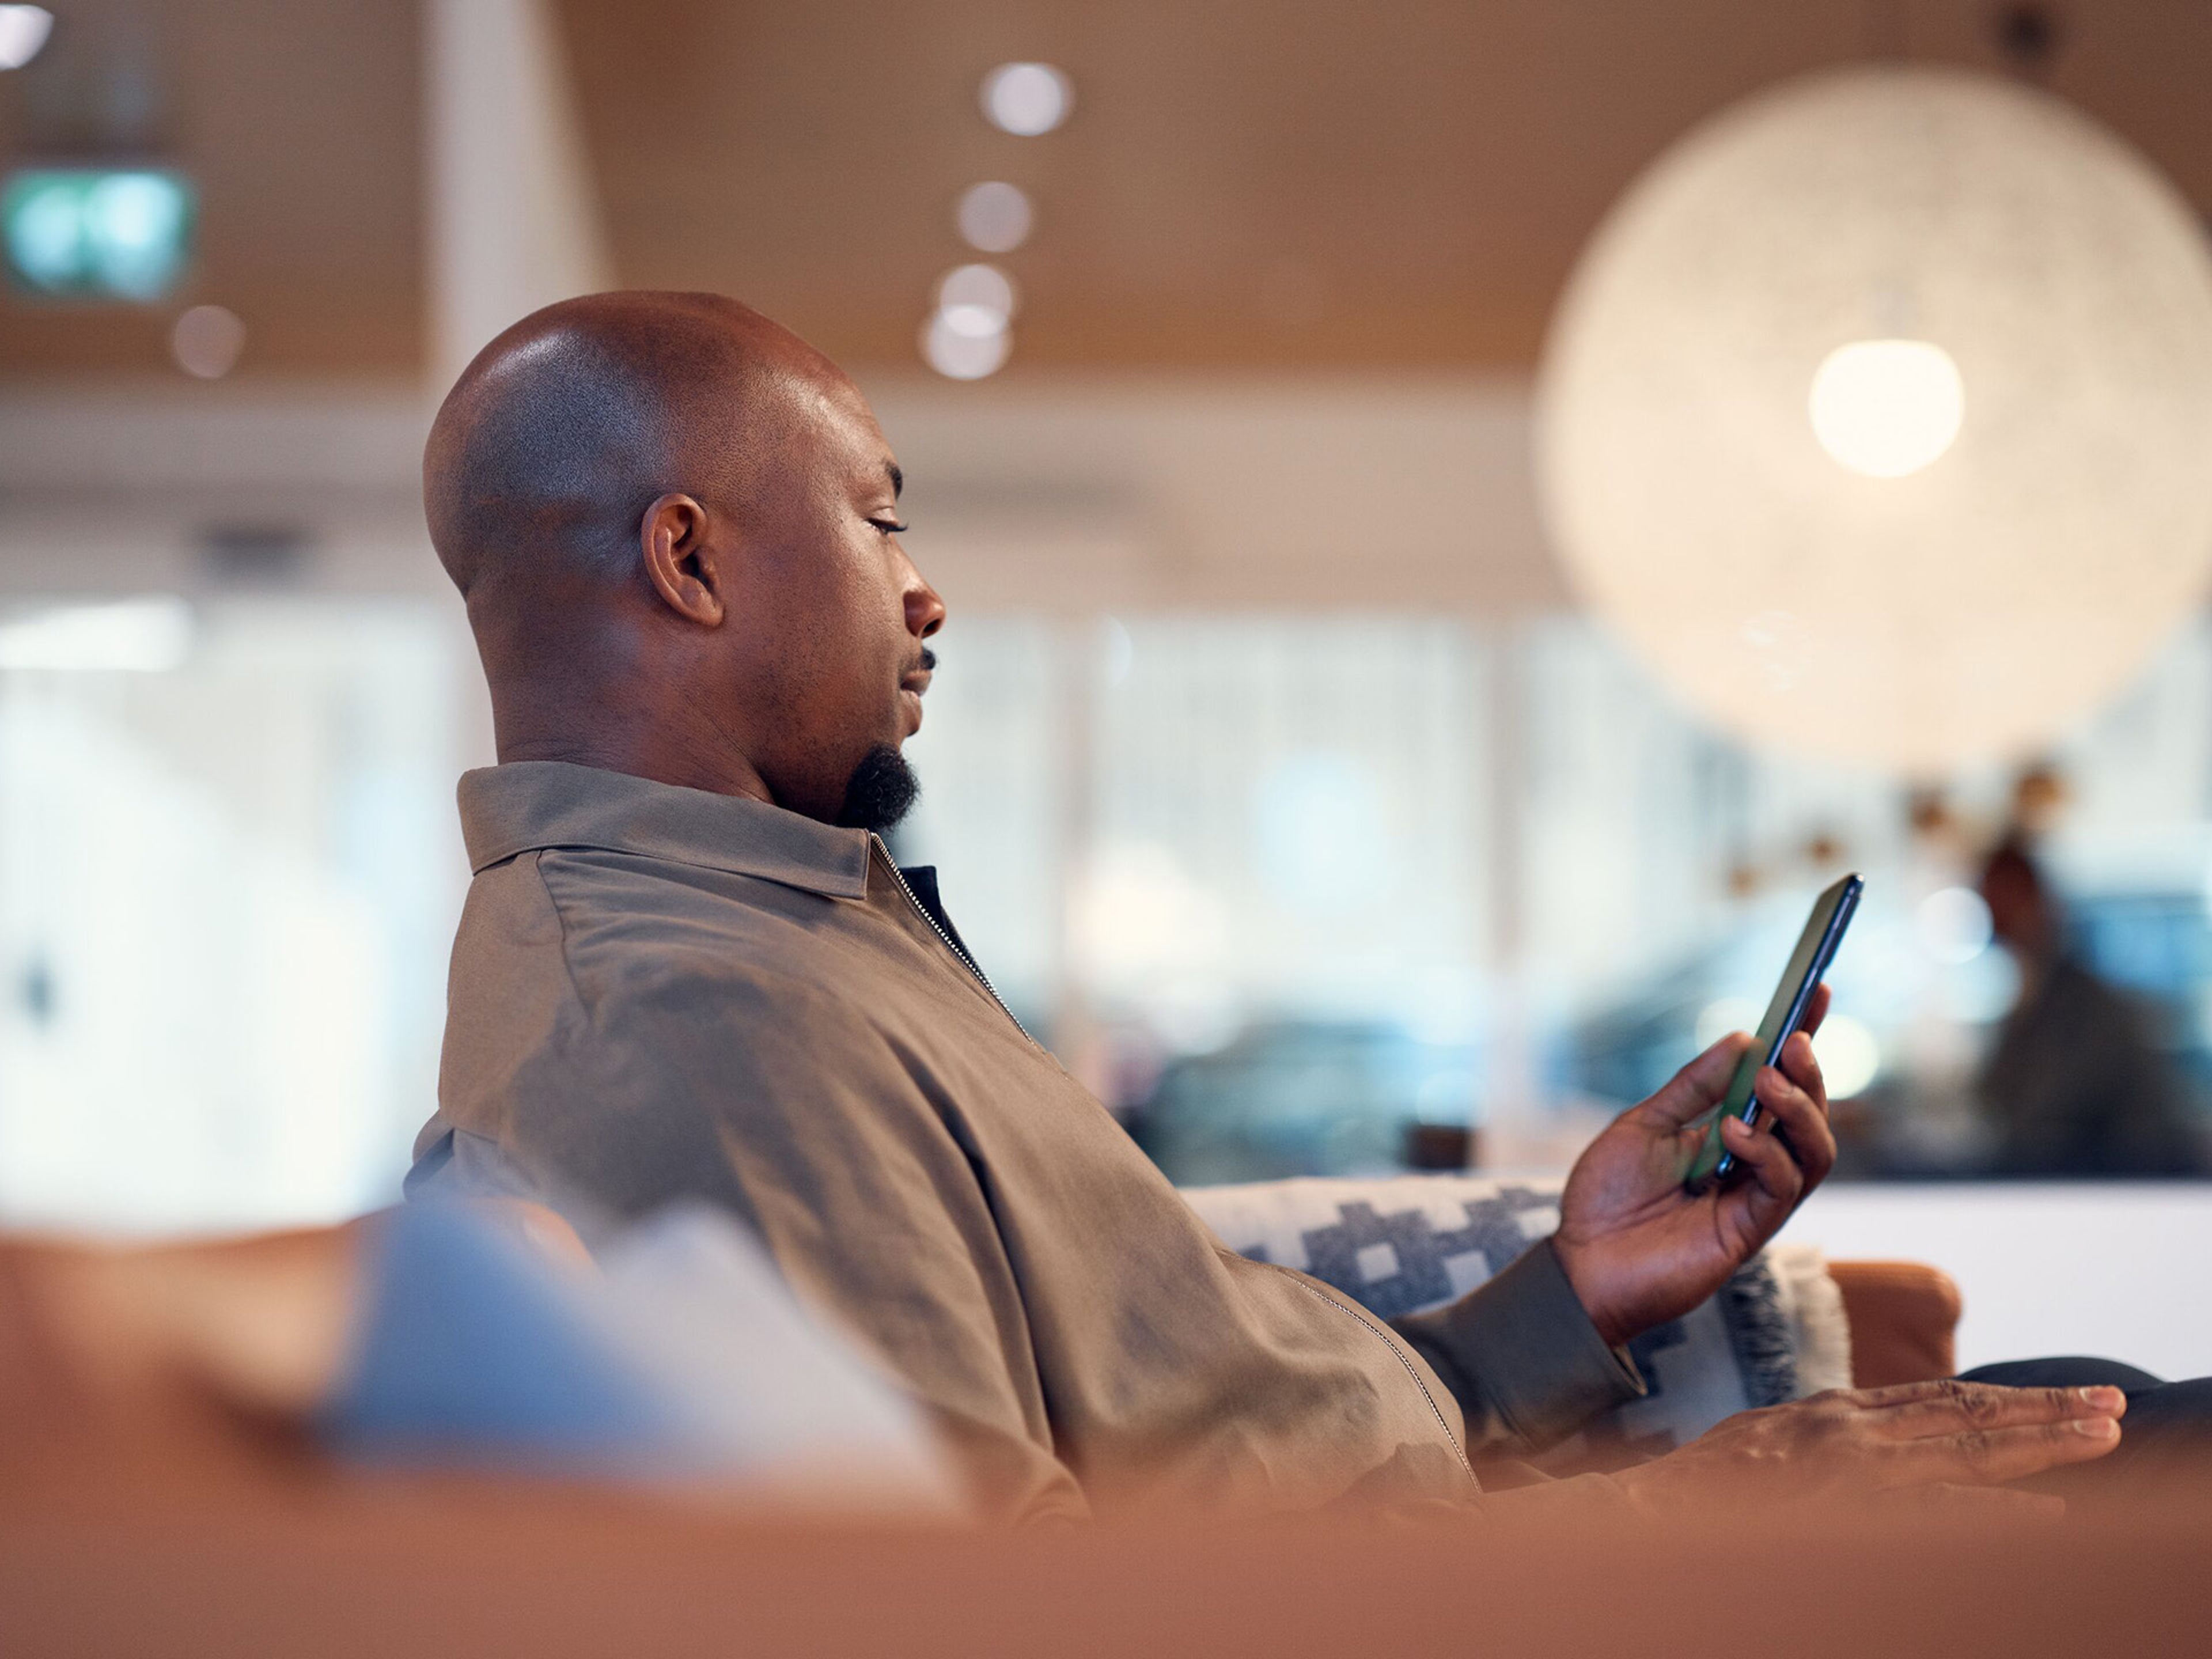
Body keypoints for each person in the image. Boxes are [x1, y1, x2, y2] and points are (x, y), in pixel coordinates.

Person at [407, 291, 2163, 1523]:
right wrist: (1706, 1526)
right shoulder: (686, 1027)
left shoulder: (780, 928)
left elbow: (1211, 1417)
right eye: (878, 518)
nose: (925, 591)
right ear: (689, 561)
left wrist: (1574, 1289)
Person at [1976, 835, 2203, 1177]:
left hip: (2122, 1190)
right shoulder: (2036, 990)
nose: (1993, 909)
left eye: (2001, 894)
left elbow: (2047, 1108)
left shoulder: (2079, 1000)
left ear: (2034, 898)